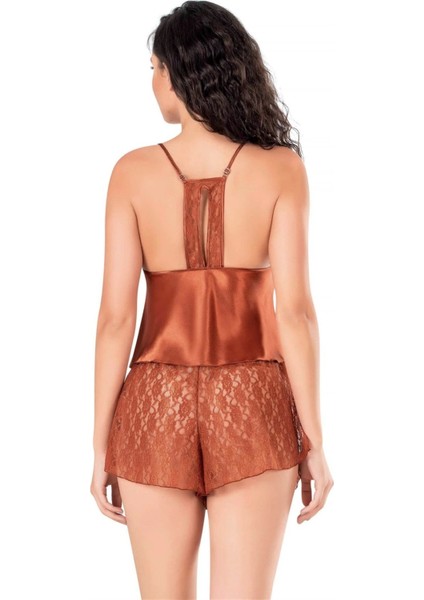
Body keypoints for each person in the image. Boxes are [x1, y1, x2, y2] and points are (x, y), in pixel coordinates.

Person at [90, 1, 334, 598]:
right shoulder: (281, 169)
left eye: (154, 68)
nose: (153, 82)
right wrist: (315, 439)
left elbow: (116, 319)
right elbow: (295, 313)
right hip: (253, 400)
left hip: (156, 402)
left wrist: (99, 445)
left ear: (177, 73)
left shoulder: (132, 173)